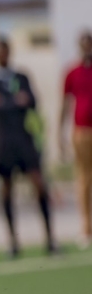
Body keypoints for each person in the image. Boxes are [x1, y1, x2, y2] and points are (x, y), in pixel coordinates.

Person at [0, 36, 56, 257]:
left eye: (5, 50)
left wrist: (6, 102)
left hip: (23, 137)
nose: (2, 54)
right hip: (4, 139)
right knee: (6, 188)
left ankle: (50, 239)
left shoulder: (21, 76)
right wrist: (13, 101)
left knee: (39, 183)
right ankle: (13, 242)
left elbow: (31, 100)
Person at [61, 30, 92, 249]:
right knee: (84, 179)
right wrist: (59, 132)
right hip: (81, 131)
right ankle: (86, 227)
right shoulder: (72, 72)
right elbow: (65, 103)